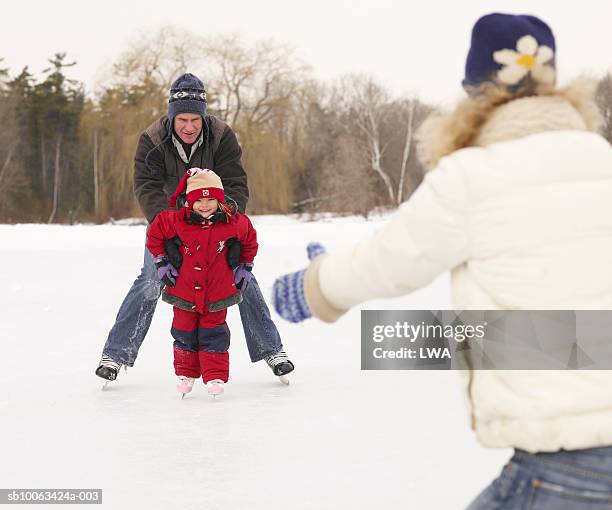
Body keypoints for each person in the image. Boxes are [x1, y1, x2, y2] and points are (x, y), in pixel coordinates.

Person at [272, 13, 612, 509]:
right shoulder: (602, 161)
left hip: (562, 464)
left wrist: (314, 285)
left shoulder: (473, 176)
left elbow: (391, 260)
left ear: (476, 93)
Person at [96, 72, 293, 383]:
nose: (189, 127)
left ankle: (272, 350)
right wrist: (171, 230)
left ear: (203, 118)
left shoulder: (222, 136)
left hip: (216, 224)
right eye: (182, 119)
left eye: (195, 120)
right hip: (170, 227)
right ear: (172, 117)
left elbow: (236, 184)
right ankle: (115, 355)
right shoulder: (152, 139)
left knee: (241, 280)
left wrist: (225, 216)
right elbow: (147, 188)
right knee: (150, 279)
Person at [147, 168, 257, 397]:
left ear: (220, 200)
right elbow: (155, 234)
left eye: (211, 199)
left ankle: (214, 376)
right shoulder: (175, 220)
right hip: (184, 290)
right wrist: (161, 261)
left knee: (214, 333)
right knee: (183, 331)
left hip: (218, 292)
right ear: (189, 201)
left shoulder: (233, 222)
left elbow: (249, 240)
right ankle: (186, 374)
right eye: (199, 200)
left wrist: (245, 266)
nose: (205, 205)